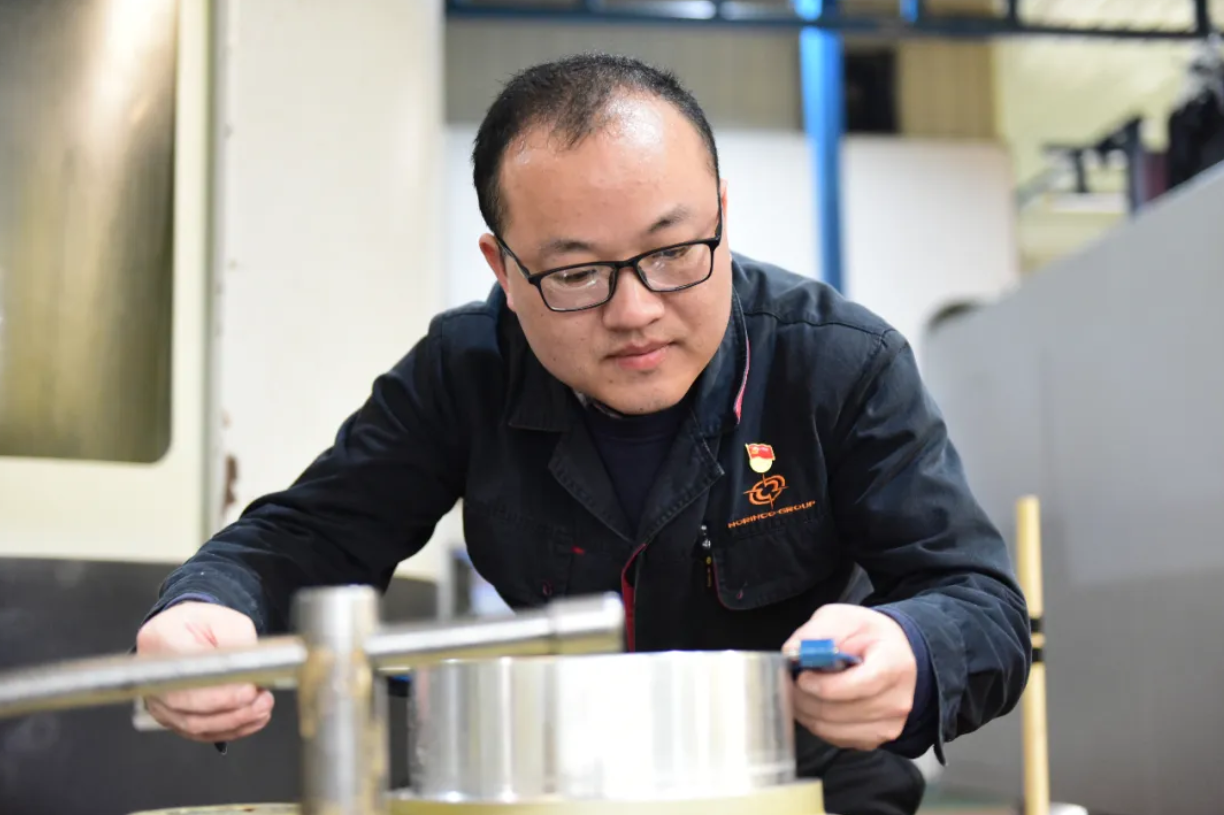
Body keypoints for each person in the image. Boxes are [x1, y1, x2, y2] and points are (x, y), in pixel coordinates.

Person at [135, 53, 1031, 815]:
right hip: (562, 785)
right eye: (574, 274)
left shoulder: (839, 363)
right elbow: (312, 535)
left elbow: (978, 601)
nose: (634, 310)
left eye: (673, 251)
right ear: (503, 268)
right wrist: (207, 608)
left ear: (722, 213)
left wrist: (914, 651)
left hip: (807, 788)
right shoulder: (465, 371)